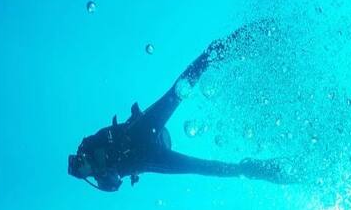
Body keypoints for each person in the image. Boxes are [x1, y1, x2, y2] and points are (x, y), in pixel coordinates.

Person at [67, 23, 290, 192]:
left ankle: (217, 52)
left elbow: (109, 134)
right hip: (147, 158)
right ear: (84, 176)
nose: (82, 163)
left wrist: (99, 154)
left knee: (176, 93)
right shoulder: (99, 179)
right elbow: (114, 186)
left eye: (78, 162)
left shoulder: (89, 144)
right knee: (199, 167)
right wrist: (104, 171)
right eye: (80, 168)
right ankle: (256, 170)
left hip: (138, 133)